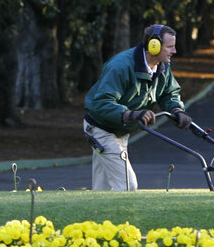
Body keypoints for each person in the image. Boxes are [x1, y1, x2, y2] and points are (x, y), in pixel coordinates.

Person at [83, 24, 193, 191]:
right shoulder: (121, 66)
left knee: (103, 190)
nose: (174, 51)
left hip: (120, 130)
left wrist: (176, 110)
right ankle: (125, 216)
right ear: (153, 46)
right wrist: (130, 115)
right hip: (101, 129)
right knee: (127, 185)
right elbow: (102, 102)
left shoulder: (162, 67)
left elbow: (169, 93)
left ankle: (99, 217)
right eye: (170, 46)